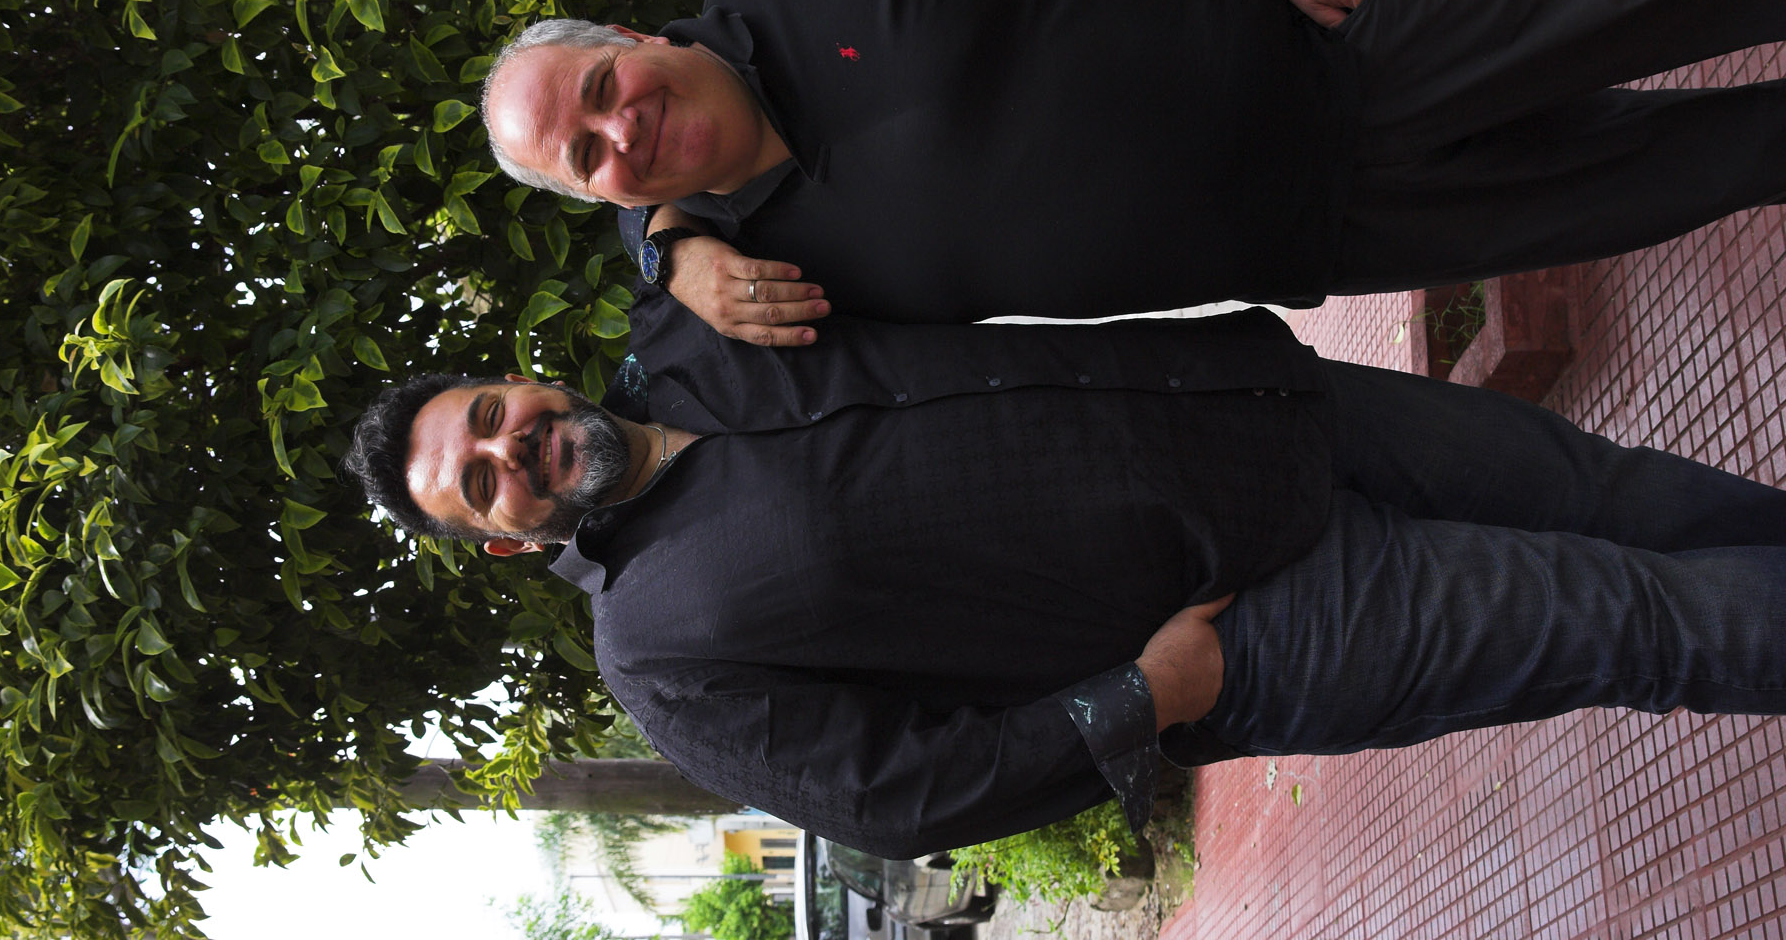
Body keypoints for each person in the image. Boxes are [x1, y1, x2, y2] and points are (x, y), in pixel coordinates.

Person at [344, 292, 1786, 857]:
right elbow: (893, 797)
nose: (512, 449)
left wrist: (667, 231)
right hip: (1258, 624)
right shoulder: (656, 653)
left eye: (490, 415)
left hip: (1273, 414)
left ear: (514, 378)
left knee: (1618, 494)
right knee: (1634, 620)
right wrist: (1140, 702)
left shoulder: (695, 327)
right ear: (504, 539)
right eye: (481, 483)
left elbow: (718, 123)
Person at [479, 0, 1786, 346]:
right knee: (1698, 169)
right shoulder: (757, 285)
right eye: (588, 158)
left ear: (631, 39)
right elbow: (638, 392)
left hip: (1349, 15)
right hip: (1348, 226)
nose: (620, 130)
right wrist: (664, 254)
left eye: (600, 91)